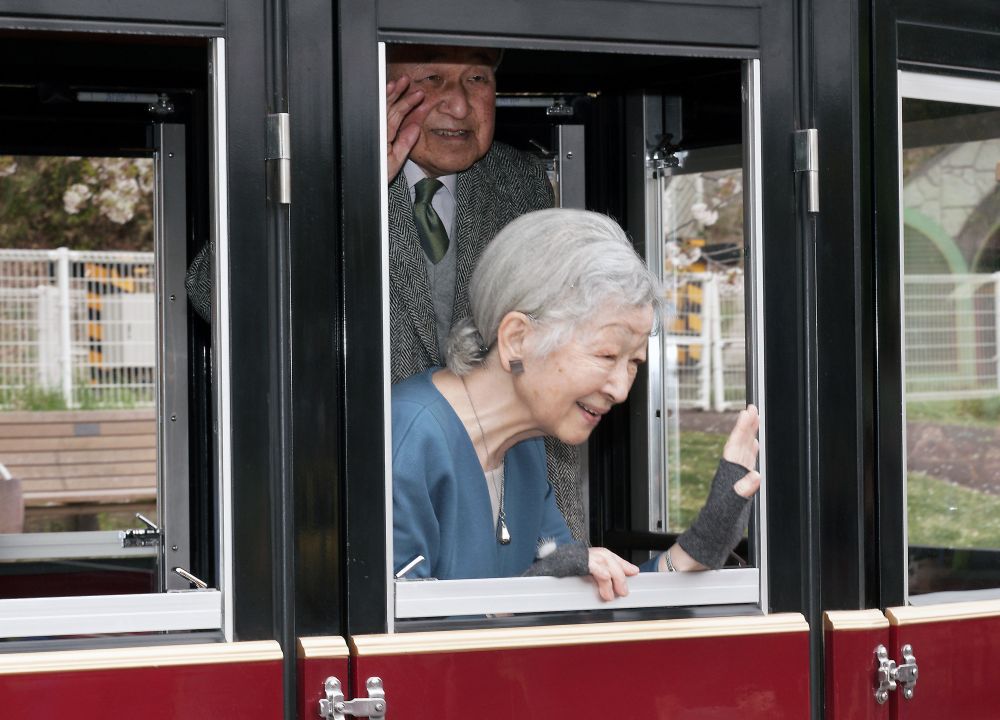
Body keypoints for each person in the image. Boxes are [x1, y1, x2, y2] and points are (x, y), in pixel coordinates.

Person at [392, 209, 761, 601]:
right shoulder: (408, 437)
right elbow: (402, 650)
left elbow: (588, 604)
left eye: (634, 363)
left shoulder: (526, 449)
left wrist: (704, 542)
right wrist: (529, 593)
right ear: (517, 339)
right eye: (605, 355)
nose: (620, 390)